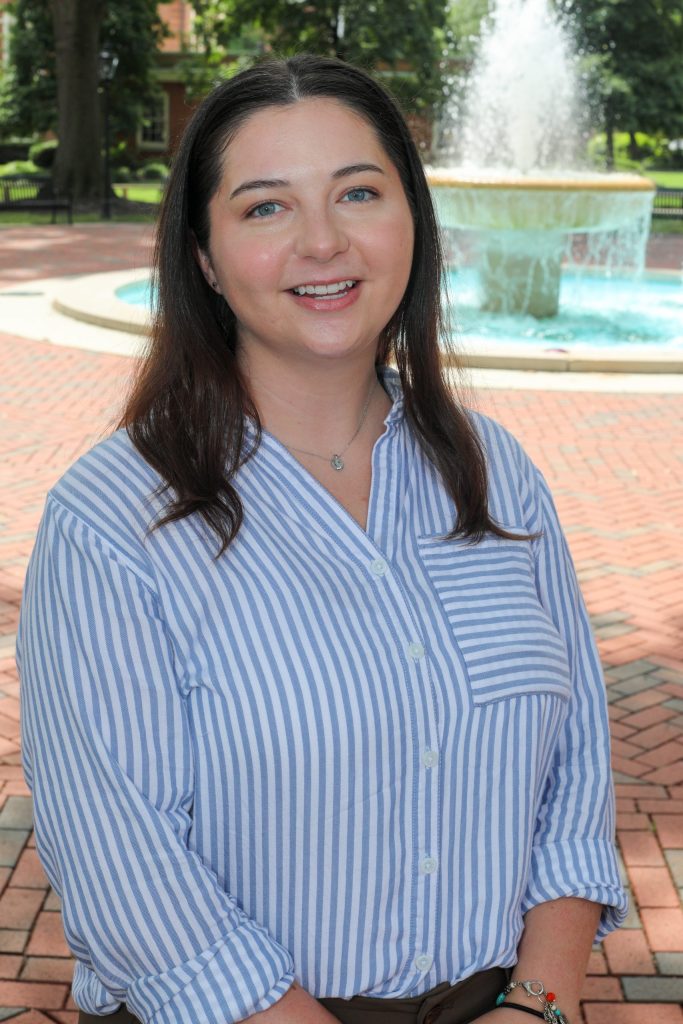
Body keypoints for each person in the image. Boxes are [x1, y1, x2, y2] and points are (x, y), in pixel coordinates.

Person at [17, 54, 627, 1024]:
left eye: (357, 192)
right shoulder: (114, 518)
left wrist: (537, 1003)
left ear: (412, 221)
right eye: (266, 207)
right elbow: (120, 858)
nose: (321, 241)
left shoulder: (493, 470)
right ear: (204, 257)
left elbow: (576, 770)